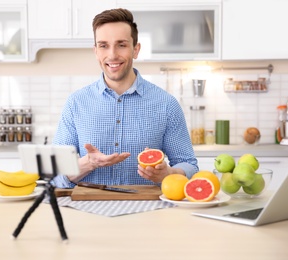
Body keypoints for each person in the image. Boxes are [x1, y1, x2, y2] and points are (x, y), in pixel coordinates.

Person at [52, 8, 198, 188]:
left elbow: (189, 166)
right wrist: (88, 164)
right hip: (87, 209)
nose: (112, 55)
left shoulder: (166, 104)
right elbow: (55, 176)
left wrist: (168, 173)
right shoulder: (76, 103)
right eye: (104, 45)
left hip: (149, 211)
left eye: (121, 44)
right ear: (96, 51)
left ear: (135, 50)